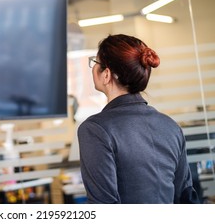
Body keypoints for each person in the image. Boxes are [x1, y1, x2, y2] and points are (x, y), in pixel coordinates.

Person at [77, 34, 199, 204]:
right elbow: (186, 198)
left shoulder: (95, 129)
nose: (93, 68)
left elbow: (103, 207)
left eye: (95, 63)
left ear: (106, 74)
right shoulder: (170, 126)